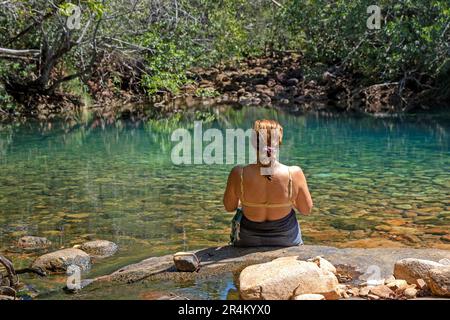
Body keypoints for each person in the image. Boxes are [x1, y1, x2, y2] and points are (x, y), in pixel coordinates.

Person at [223, 119, 313, 247]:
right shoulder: (294, 173)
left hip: (248, 239)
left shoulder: (239, 173)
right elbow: (306, 210)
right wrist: (289, 201)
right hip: (286, 240)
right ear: (279, 142)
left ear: (254, 143)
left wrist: (246, 201)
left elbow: (229, 207)